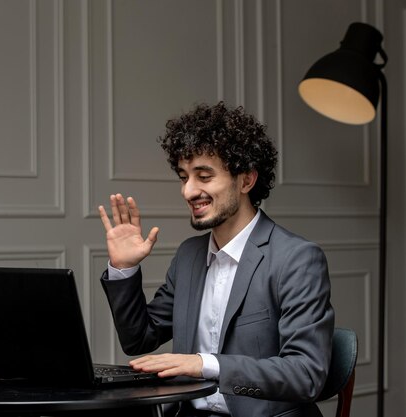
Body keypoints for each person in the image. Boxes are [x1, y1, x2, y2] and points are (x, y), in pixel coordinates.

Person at [98, 102, 335, 417]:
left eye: (204, 176)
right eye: (184, 177)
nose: (188, 191)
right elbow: (139, 339)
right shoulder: (189, 255)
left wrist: (203, 364)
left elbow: (306, 375)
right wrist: (125, 267)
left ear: (246, 181)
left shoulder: (297, 259)